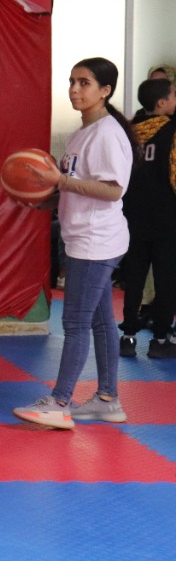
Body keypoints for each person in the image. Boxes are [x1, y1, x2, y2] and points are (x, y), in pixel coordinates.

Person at [14, 57, 135, 428]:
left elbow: (112, 190)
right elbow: (76, 187)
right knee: (100, 323)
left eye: (84, 83)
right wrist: (41, 199)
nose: (74, 89)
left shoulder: (107, 134)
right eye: (72, 81)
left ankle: (59, 402)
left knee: (76, 322)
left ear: (105, 90)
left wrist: (61, 182)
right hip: (83, 237)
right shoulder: (81, 133)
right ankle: (108, 400)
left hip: (96, 242)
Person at [119, 77, 176, 358]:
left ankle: (128, 337)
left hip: (132, 218)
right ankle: (161, 340)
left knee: (134, 279)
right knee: (166, 282)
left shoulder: (127, 133)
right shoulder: (172, 131)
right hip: (166, 220)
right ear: (162, 103)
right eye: (174, 95)